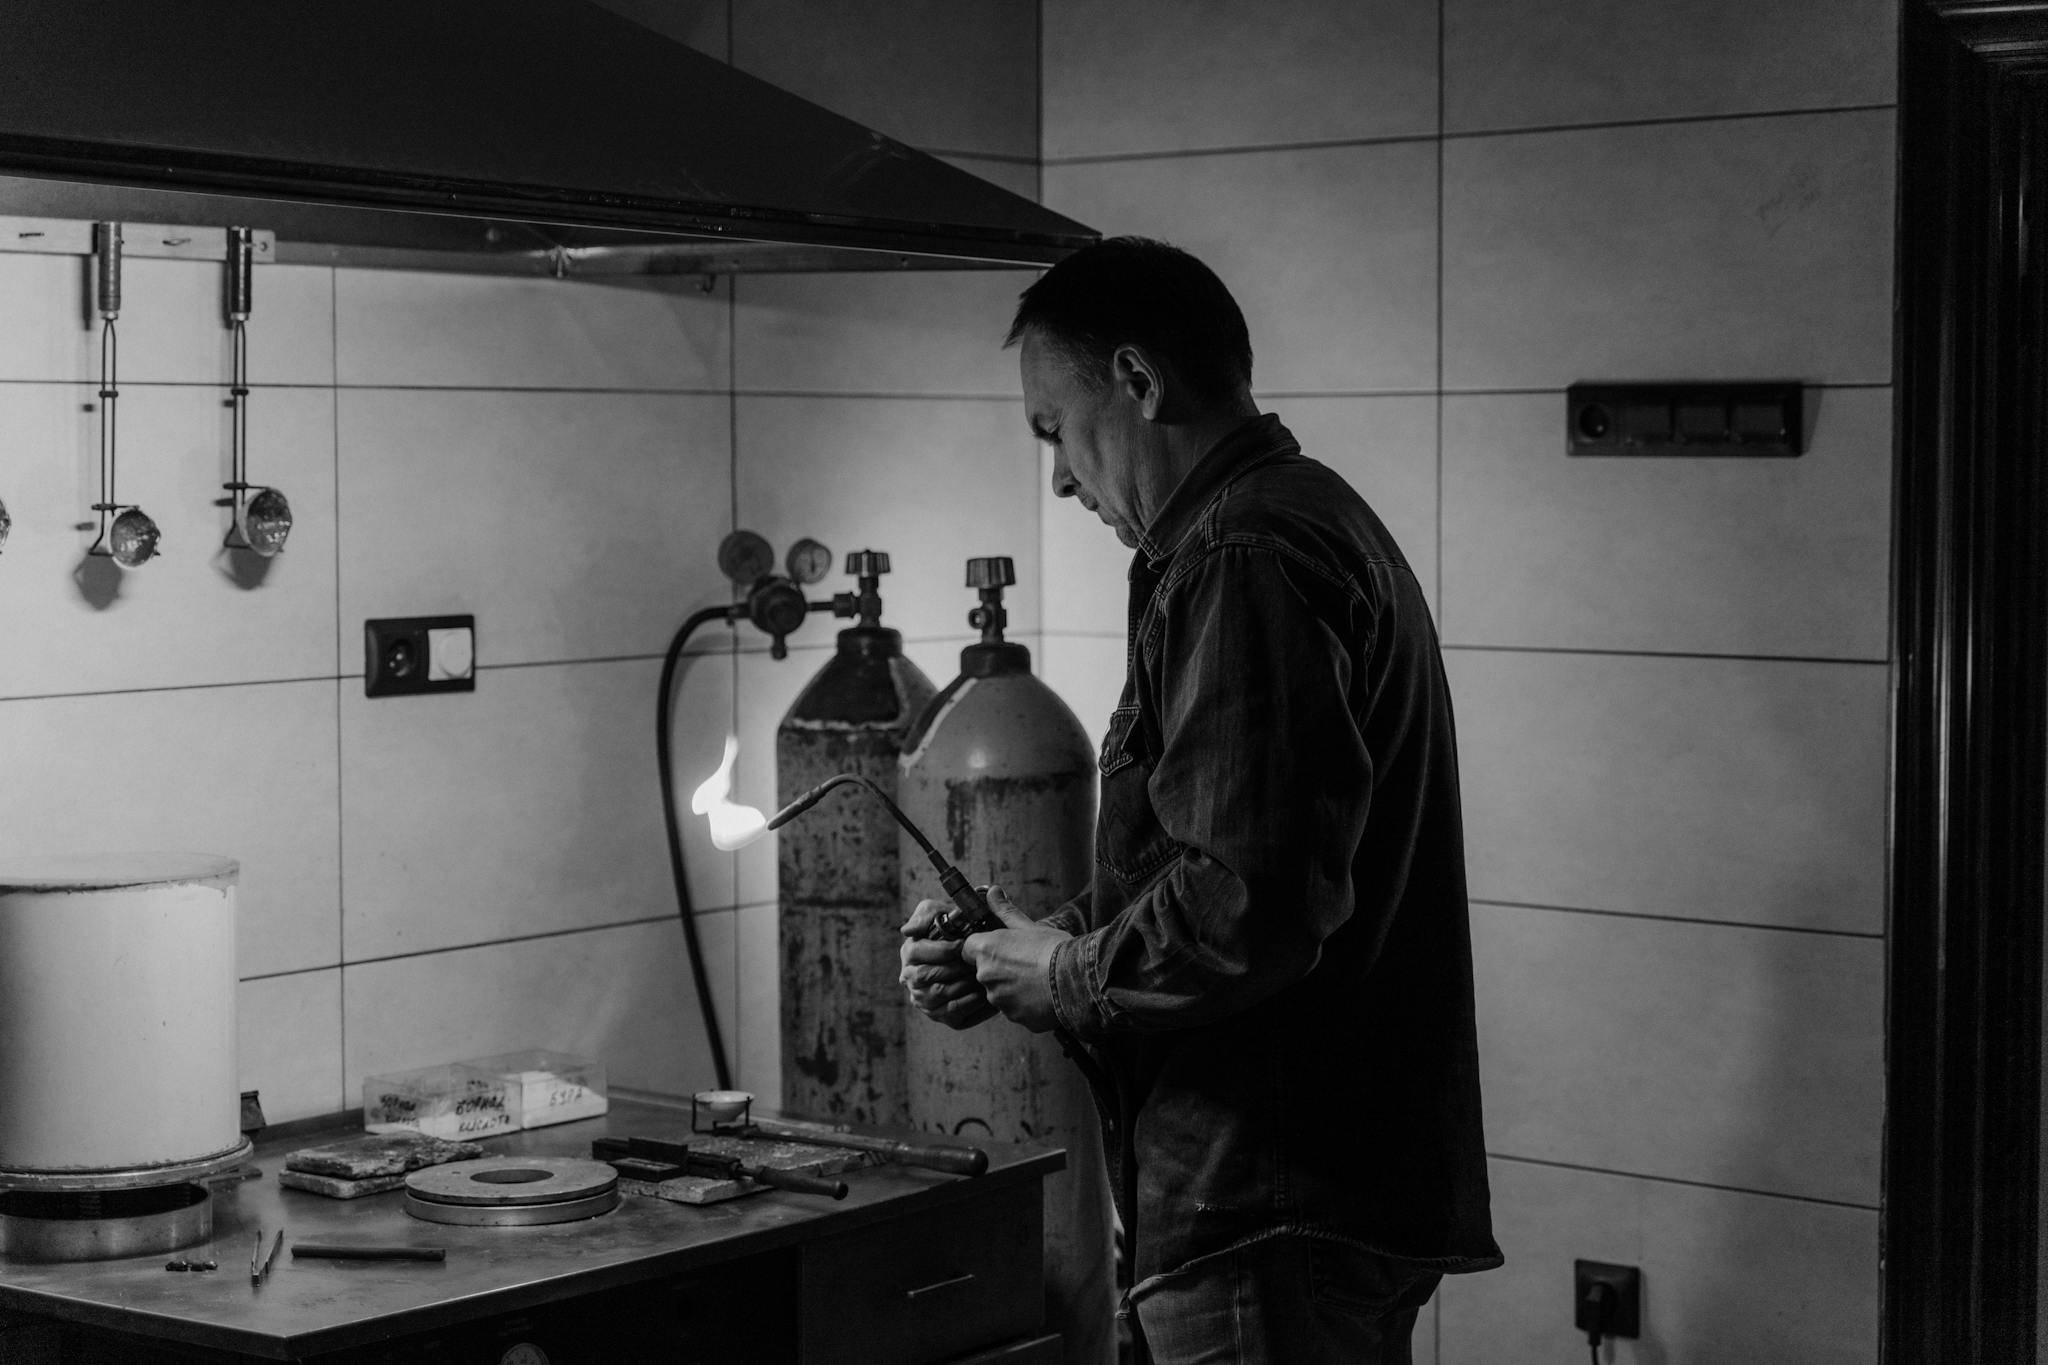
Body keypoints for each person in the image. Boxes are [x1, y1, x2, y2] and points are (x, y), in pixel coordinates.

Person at [900, 236, 1502, 1364]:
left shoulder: (1245, 552)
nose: (1062, 479)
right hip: (1286, 1205)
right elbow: (1213, 857)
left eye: (1053, 431)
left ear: (1137, 379)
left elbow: (1249, 905)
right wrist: (1027, 945)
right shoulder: (1289, 520)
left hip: (1267, 1205)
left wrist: (1068, 977)